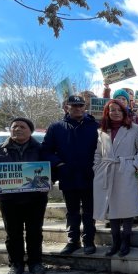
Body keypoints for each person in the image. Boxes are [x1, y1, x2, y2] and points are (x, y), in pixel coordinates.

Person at [0, 117, 49, 274]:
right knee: (13, 233)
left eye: (22, 127)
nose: (18, 129)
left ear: (30, 130)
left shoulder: (41, 149)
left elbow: (52, 169)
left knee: (34, 232)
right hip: (8, 200)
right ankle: (16, 265)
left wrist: (51, 180)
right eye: (14, 126)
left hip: (35, 199)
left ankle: (35, 263)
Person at [42, 95, 99, 255]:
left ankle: (89, 241)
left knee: (89, 211)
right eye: (73, 106)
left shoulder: (95, 126)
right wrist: (59, 164)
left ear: (85, 107)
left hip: (90, 175)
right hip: (68, 176)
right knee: (72, 211)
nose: (77, 108)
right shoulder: (56, 127)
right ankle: (73, 241)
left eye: (80, 105)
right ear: (67, 107)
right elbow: (46, 150)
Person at [93, 99, 138, 257]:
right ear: (107, 113)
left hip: (126, 170)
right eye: (112, 110)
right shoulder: (102, 131)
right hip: (106, 171)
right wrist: (96, 167)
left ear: (124, 112)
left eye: (119, 110)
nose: (115, 112)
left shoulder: (135, 129)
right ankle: (115, 242)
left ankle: (126, 241)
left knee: (127, 207)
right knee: (112, 207)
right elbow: (97, 152)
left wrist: (134, 166)